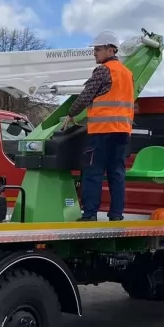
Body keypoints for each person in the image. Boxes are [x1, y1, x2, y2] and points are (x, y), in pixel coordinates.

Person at [61, 31, 135, 222]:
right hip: (122, 132)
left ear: (111, 50)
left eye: (98, 49)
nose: (95, 53)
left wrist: (71, 114)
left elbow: (86, 96)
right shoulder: (127, 73)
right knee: (116, 173)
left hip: (102, 131)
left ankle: (90, 214)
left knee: (93, 172)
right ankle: (116, 214)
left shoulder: (103, 70)